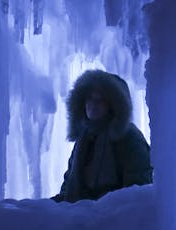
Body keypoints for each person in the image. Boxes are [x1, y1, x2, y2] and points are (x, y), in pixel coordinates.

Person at [52, 69, 153, 203]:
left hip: (112, 220)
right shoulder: (84, 139)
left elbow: (137, 193)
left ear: (114, 105)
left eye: (101, 100)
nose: (93, 104)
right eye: (90, 98)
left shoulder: (129, 138)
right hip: (80, 219)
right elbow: (67, 191)